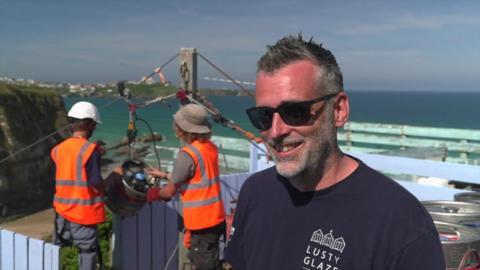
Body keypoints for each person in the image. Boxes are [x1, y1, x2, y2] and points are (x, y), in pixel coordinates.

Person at [224, 34, 445, 269]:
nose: (276, 131)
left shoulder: (401, 223)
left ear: (338, 110)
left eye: (295, 112)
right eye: (264, 116)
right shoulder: (255, 193)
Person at [146, 103, 226, 270]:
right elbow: (198, 177)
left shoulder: (187, 155)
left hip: (201, 224)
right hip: (216, 218)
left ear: (182, 129)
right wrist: (167, 175)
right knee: (208, 262)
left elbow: (168, 193)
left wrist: (149, 194)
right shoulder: (210, 148)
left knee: (205, 265)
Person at [51, 101, 120, 270]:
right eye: (94, 124)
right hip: (82, 214)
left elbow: (72, 171)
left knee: (57, 252)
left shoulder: (58, 149)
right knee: (87, 252)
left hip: (61, 212)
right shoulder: (90, 151)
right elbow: (96, 185)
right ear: (89, 123)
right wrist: (113, 176)